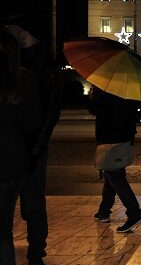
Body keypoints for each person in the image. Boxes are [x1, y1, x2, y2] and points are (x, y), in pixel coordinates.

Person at [7, 25, 61, 265]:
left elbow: (50, 112)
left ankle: (36, 252)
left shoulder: (43, 66)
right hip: (18, 145)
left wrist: (36, 148)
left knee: (33, 204)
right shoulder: (16, 61)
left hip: (30, 147)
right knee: (28, 202)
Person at [0, 27, 42, 265]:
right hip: (13, 164)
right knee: (3, 232)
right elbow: (34, 123)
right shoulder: (24, 79)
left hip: (11, 164)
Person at [88, 86, 141, 233]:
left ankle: (134, 213)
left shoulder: (106, 89)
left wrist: (94, 93)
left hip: (110, 139)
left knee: (115, 176)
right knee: (111, 175)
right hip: (124, 138)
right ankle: (103, 211)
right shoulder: (129, 89)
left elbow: (94, 108)